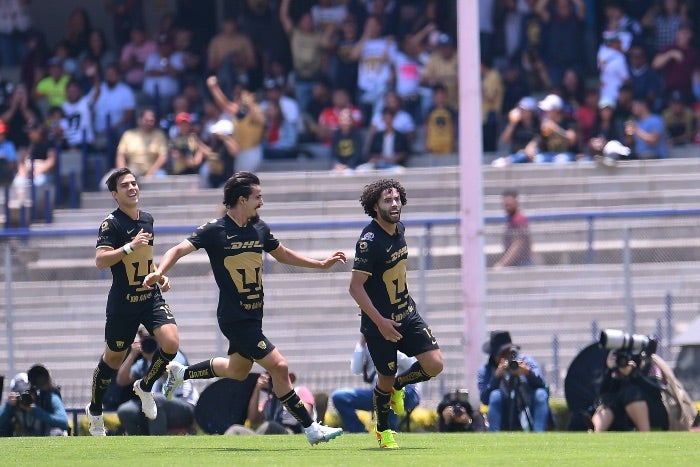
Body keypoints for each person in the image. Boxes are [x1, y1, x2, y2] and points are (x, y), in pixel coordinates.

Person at [141, 171, 345, 446]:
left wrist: (320, 264)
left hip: (253, 316)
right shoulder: (215, 229)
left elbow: (283, 253)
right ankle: (311, 428)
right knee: (280, 366)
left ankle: (181, 372)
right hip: (235, 318)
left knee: (237, 370)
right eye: (257, 197)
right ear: (241, 199)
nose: (262, 201)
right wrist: (160, 272)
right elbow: (177, 250)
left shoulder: (259, 228)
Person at [348, 178, 443, 448]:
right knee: (384, 380)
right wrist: (378, 321)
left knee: (434, 364)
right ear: (375, 207)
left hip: (407, 313)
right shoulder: (369, 241)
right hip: (381, 324)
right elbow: (355, 287)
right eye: (387, 200)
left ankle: (401, 385)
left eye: (396, 198)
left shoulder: (399, 228)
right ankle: (383, 431)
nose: (394, 204)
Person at [85, 167, 180, 436]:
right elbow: (100, 260)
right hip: (123, 303)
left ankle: (145, 386)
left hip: (148, 296)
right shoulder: (111, 224)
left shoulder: (147, 220)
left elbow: (145, 259)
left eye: (134, 183)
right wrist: (128, 246)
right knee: (113, 359)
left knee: (171, 343)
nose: (132, 188)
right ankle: (94, 410)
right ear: (115, 194)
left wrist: (158, 276)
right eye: (125, 185)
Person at [331, 335, 420, 433]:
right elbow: (356, 369)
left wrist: (389, 350)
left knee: (390, 390)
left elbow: (412, 364)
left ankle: (390, 430)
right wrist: (361, 344)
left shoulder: (399, 338)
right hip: (378, 393)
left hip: (406, 392)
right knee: (339, 396)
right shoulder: (367, 345)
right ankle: (359, 432)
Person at [116, 332, 198, 435]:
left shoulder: (175, 355)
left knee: (155, 399)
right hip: (157, 405)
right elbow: (121, 381)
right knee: (126, 411)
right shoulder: (144, 362)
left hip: (185, 406)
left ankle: (157, 444)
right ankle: (140, 445)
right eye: (145, 340)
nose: (149, 343)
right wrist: (132, 354)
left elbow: (168, 375)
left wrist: (154, 358)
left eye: (152, 339)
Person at [477, 331, 550, 432]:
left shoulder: (525, 361)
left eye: (507, 352)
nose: (505, 357)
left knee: (541, 394)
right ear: (494, 355)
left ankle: (539, 434)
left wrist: (528, 373)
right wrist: (496, 377)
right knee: (495, 395)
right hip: (504, 409)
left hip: (528, 404)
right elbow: (484, 399)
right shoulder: (486, 370)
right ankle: (494, 436)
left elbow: (542, 384)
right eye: (501, 354)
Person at [591, 348, 668, 432]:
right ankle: (594, 434)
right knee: (608, 402)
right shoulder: (615, 369)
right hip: (621, 413)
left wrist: (634, 374)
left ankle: (646, 435)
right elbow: (602, 393)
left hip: (653, 410)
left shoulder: (649, 364)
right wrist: (609, 370)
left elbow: (657, 392)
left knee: (632, 393)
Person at [226, 371, 316, 435]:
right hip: (268, 434)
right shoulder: (269, 401)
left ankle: (254, 447)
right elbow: (253, 418)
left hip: (293, 433)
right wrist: (257, 389)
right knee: (235, 429)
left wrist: (282, 393)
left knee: (270, 426)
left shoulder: (300, 391)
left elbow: (305, 413)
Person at [0, 365, 69, 437]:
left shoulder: (49, 398)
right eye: (22, 393)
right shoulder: (14, 404)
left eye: (29, 391)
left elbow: (63, 422)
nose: (26, 395)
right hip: (22, 442)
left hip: (47, 440)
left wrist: (35, 410)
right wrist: (8, 406)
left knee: (57, 432)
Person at [115, 108, 169, 178]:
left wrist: (151, 173)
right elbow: (120, 155)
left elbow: (163, 156)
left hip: (154, 171)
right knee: (109, 182)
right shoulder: (128, 135)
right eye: (146, 120)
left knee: (161, 176)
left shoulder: (159, 135)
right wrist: (122, 173)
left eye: (151, 121)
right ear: (139, 120)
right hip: (133, 170)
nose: (149, 123)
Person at [493, 189, 533, 269]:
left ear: (516, 202)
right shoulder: (511, 219)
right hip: (517, 263)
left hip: (522, 264)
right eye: (505, 205)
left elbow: (517, 244)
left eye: (509, 204)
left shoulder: (518, 219)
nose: (507, 207)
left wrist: (502, 264)